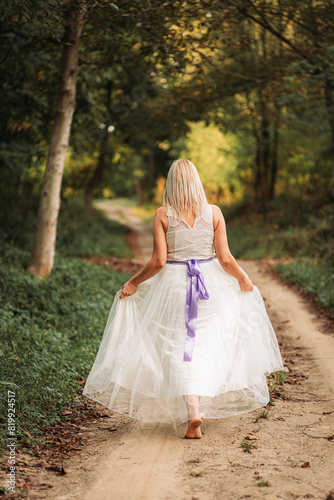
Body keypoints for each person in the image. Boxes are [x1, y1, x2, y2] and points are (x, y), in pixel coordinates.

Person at [82, 159, 285, 439]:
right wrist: (242, 277)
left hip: (174, 287)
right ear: (196, 181)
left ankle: (193, 412)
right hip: (209, 287)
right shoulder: (214, 213)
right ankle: (196, 410)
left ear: (171, 183)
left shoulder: (164, 214)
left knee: (176, 347)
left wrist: (133, 282)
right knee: (206, 345)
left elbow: (158, 261)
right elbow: (224, 258)